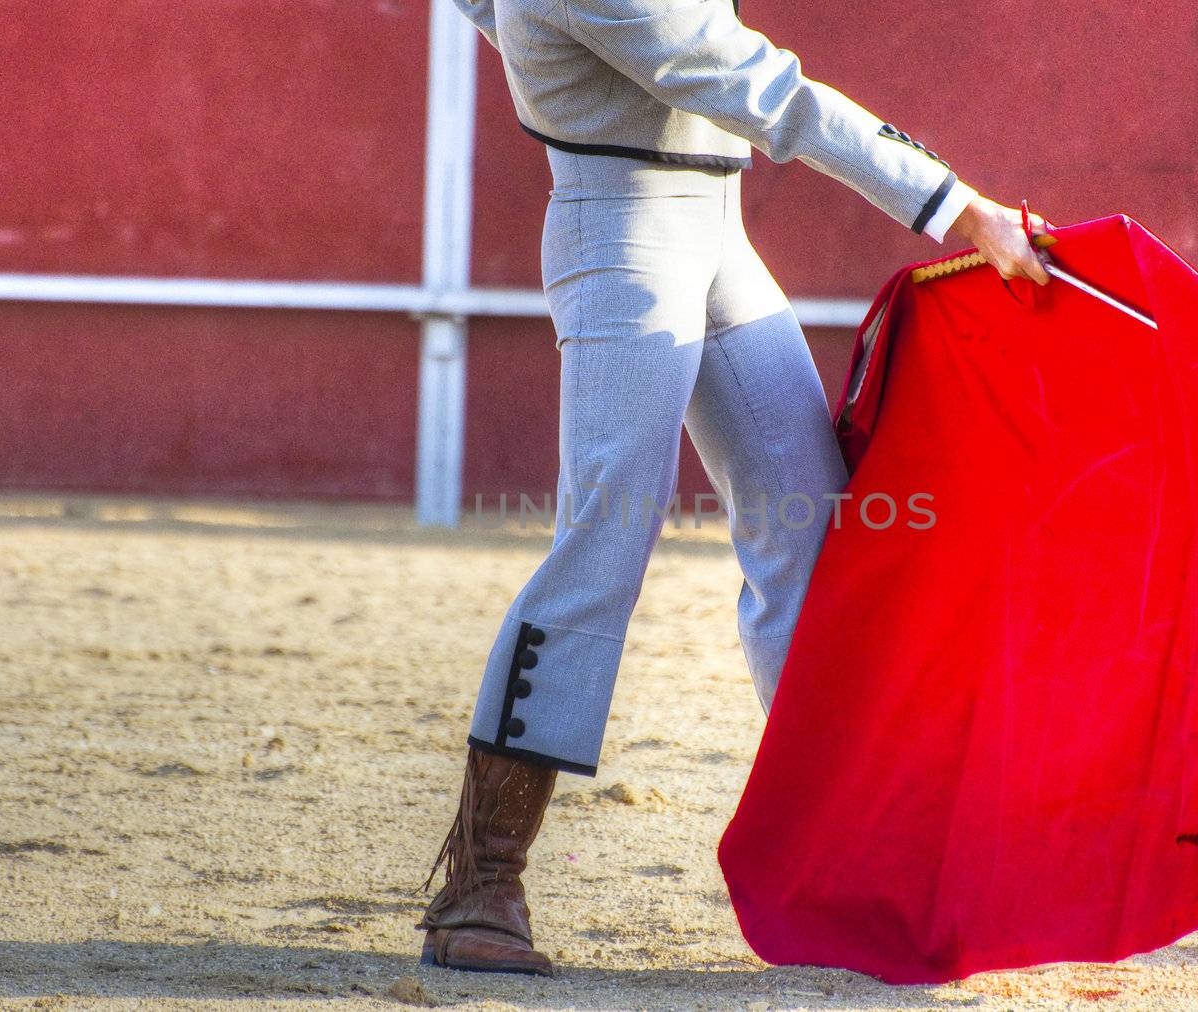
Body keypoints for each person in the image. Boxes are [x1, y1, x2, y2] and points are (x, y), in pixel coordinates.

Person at [417, 0, 1054, 976]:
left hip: (715, 234)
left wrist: (541, 43)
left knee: (812, 531)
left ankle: (843, 848)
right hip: (621, 236)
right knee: (605, 542)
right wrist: (957, 206)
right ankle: (480, 881)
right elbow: (762, 87)